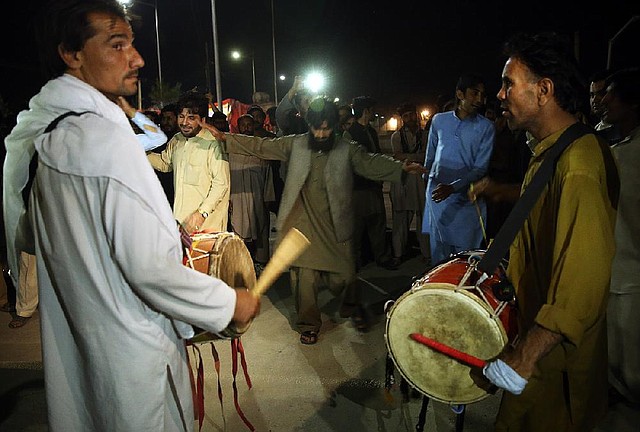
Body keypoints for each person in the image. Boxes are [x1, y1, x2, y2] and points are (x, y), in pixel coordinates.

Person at [2, 1, 260, 430]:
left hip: (89, 350)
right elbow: (150, 270)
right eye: (117, 44)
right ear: (72, 53)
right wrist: (229, 302)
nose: (136, 58)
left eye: (132, 43)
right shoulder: (103, 142)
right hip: (135, 356)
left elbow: (33, 232)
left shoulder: (57, 138)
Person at [200, 96, 427, 344]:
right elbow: (262, 146)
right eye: (316, 128)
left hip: (334, 223)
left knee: (343, 275)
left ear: (334, 126)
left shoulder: (345, 148)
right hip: (302, 223)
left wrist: (401, 167)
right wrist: (226, 138)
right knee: (304, 279)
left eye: (326, 128)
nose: (321, 134)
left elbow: (369, 162)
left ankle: (352, 306)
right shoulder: (294, 144)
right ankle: (308, 323)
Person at [478, 32, 619, 431]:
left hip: (553, 361)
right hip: (537, 343)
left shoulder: (578, 162)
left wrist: (526, 355)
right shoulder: (552, 150)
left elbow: (583, 279)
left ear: (543, 90)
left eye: (509, 83)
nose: (500, 94)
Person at [422, 73, 495, 265]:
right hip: (438, 202)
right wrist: (426, 177)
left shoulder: (486, 127)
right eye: (474, 93)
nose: (479, 99)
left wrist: (452, 188)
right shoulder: (439, 120)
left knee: (465, 263)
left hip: (467, 204)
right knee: (439, 263)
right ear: (460, 94)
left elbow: (480, 169)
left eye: (482, 94)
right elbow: (430, 158)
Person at [599, 67, 640, 407]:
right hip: (611, 270)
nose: (603, 100)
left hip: (633, 278)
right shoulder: (609, 142)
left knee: (632, 370)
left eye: (611, 94)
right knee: (612, 362)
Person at [147, 92, 231, 234]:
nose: (184, 122)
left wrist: (201, 213)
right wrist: (139, 153)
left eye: (191, 118)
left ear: (202, 120)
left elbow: (221, 184)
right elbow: (165, 163)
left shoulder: (213, 143)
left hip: (207, 226)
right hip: (181, 222)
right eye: (181, 116)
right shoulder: (177, 140)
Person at [345, 96, 393, 269]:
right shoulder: (351, 133)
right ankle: (355, 261)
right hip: (359, 188)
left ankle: (382, 257)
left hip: (374, 186)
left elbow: (376, 156)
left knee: (378, 223)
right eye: (371, 110)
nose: (373, 113)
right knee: (357, 227)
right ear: (365, 111)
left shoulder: (371, 131)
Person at [229, 114, 273, 270]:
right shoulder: (231, 150)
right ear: (238, 127)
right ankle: (241, 265)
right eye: (243, 125)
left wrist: (268, 198)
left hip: (257, 198)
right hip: (237, 198)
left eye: (249, 124)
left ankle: (260, 262)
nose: (246, 128)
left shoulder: (260, 148)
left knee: (260, 228)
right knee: (239, 231)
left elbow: (268, 177)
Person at [388, 103, 429, 267]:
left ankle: (427, 254)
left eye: (412, 115)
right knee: (400, 218)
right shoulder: (396, 137)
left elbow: (427, 156)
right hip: (403, 181)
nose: (410, 119)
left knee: (423, 218)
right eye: (406, 116)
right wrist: (415, 157)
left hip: (420, 181)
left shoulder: (425, 135)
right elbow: (397, 156)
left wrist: (409, 157)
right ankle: (397, 254)